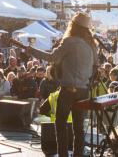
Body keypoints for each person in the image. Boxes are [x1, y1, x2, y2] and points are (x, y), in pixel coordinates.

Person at [24, 12, 98, 157]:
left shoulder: (69, 42)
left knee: (60, 123)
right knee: (79, 128)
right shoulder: (91, 45)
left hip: (68, 90)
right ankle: (78, 155)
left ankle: (63, 154)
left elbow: (51, 57)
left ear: (73, 26)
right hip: (83, 91)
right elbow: (96, 66)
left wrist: (30, 50)